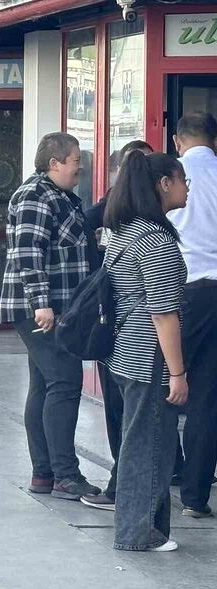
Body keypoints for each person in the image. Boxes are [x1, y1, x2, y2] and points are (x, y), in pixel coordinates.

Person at [0, 132, 100, 501]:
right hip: (43, 310)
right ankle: (65, 475)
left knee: (44, 385)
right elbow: (29, 253)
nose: (80, 166)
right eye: (75, 159)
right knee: (65, 382)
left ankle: (44, 473)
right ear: (54, 162)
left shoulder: (61, 197)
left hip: (57, 309)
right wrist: (42, 304)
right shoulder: (35, 196)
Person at [103, 151, 189, 552]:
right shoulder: (156, 242)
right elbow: (163, 313)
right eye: (183, 179)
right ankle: (138, 534)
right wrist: (178, 372)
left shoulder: (124, 232)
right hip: (149, 356)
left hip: (122, 352)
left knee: (138, 441)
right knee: (150, 446)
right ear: (164, 184)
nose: (188, 187)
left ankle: (145, 528)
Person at [80, 139, 154, 511]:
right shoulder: (146, 216)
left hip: (124, 324)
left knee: (125, 408)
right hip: (133, 323)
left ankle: (122, 484)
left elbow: (83, 222)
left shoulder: (124, 211)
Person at [169, 112, 217, 520]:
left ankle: (161, 474)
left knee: (164, 383)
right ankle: (195, 496)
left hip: (185, 291)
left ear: (177, 140)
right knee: (208, 396)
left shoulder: (171, 175)